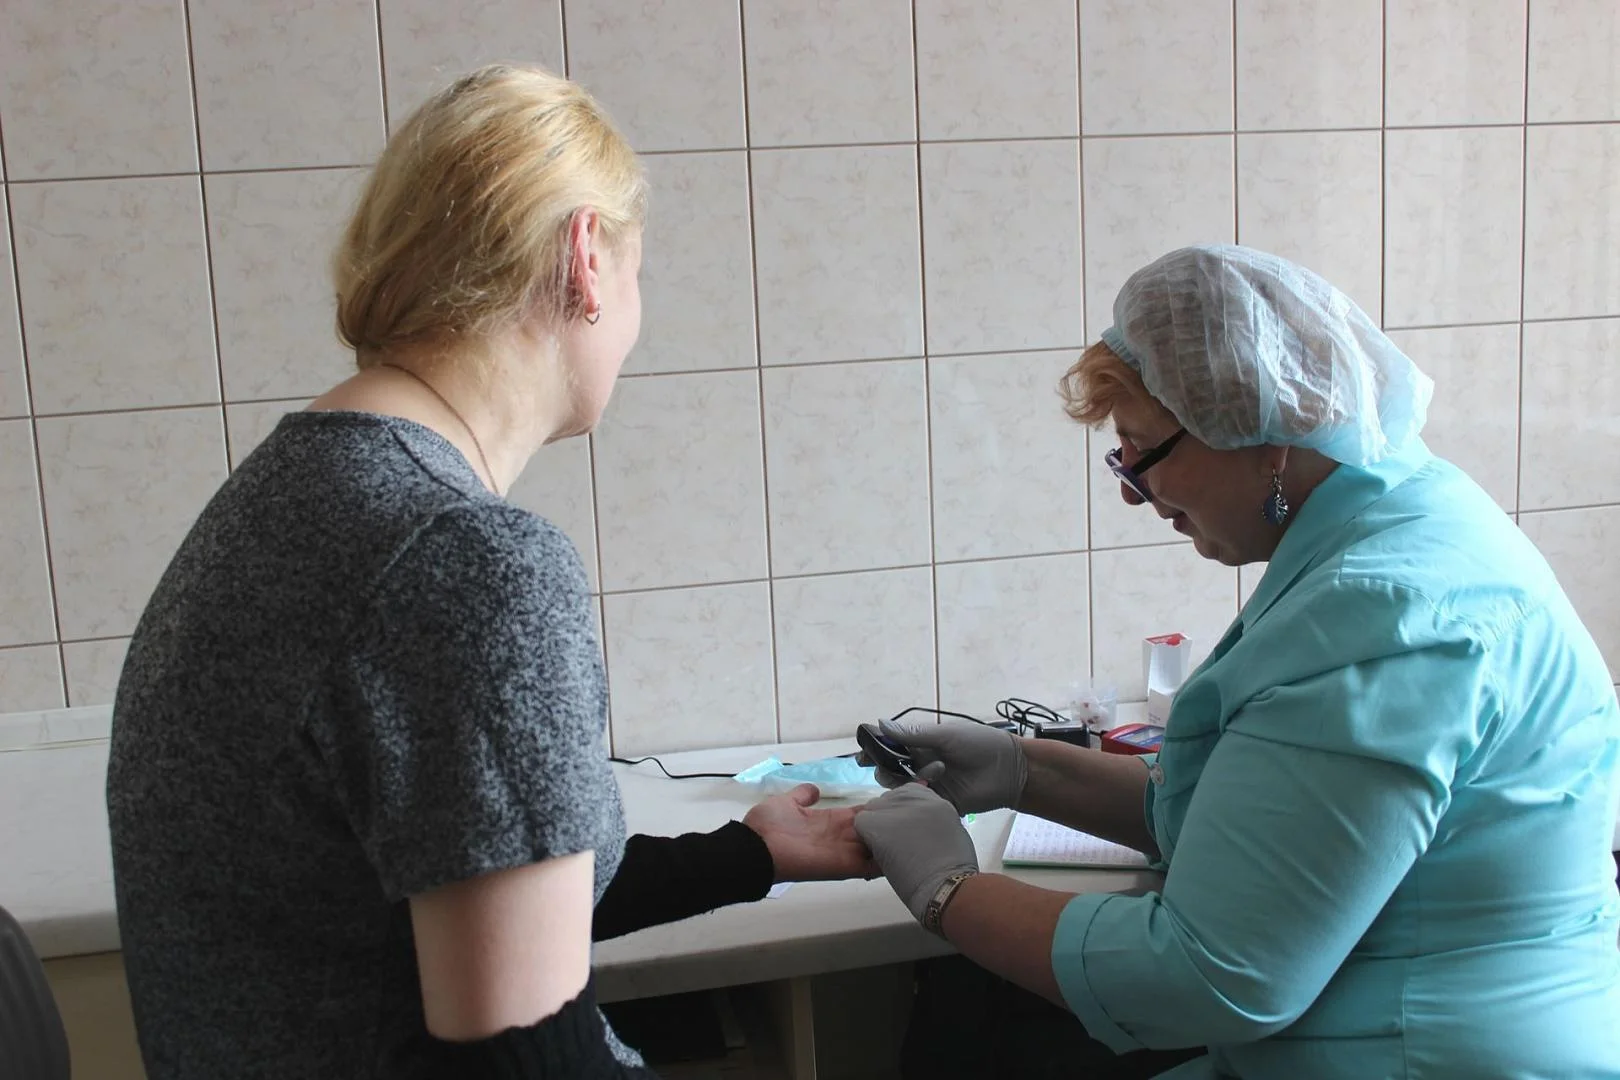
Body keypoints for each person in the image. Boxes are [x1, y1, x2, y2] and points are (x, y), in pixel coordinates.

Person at [106, 65, 870, 1080]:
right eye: (638, 274)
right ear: (585, 258)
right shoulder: (466, 562)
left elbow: (453, 880)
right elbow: (522, 1055)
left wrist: (752, 852)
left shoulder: (287, 495)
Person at [855, 245, 1620, 1079]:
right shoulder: (1402, 513)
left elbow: (1213, 976)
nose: (1129, 489)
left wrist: (945, 889)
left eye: (1142, 453)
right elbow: (1264, 826)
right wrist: (1022, 770)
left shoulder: (1385, 623)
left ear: (1267, 435)